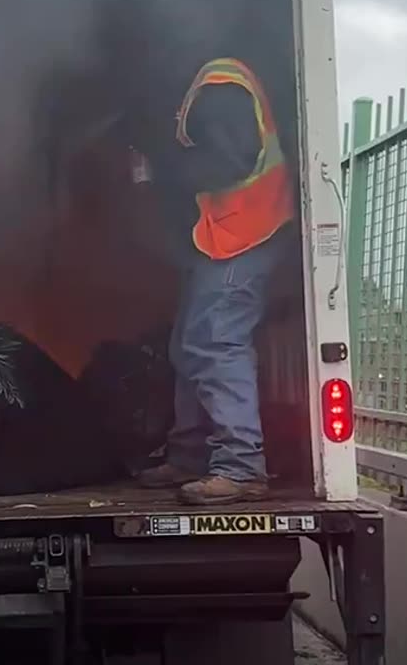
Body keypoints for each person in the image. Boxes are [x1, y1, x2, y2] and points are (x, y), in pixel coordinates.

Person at [120, 55, 294, 506]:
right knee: (189, 345)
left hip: (244, 234)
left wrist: (162, 167)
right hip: (227, 235)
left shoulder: (219, 89)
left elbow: (228, 162)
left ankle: (240, 466)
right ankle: (190, 456)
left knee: (217, 343)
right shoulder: (214, 88)